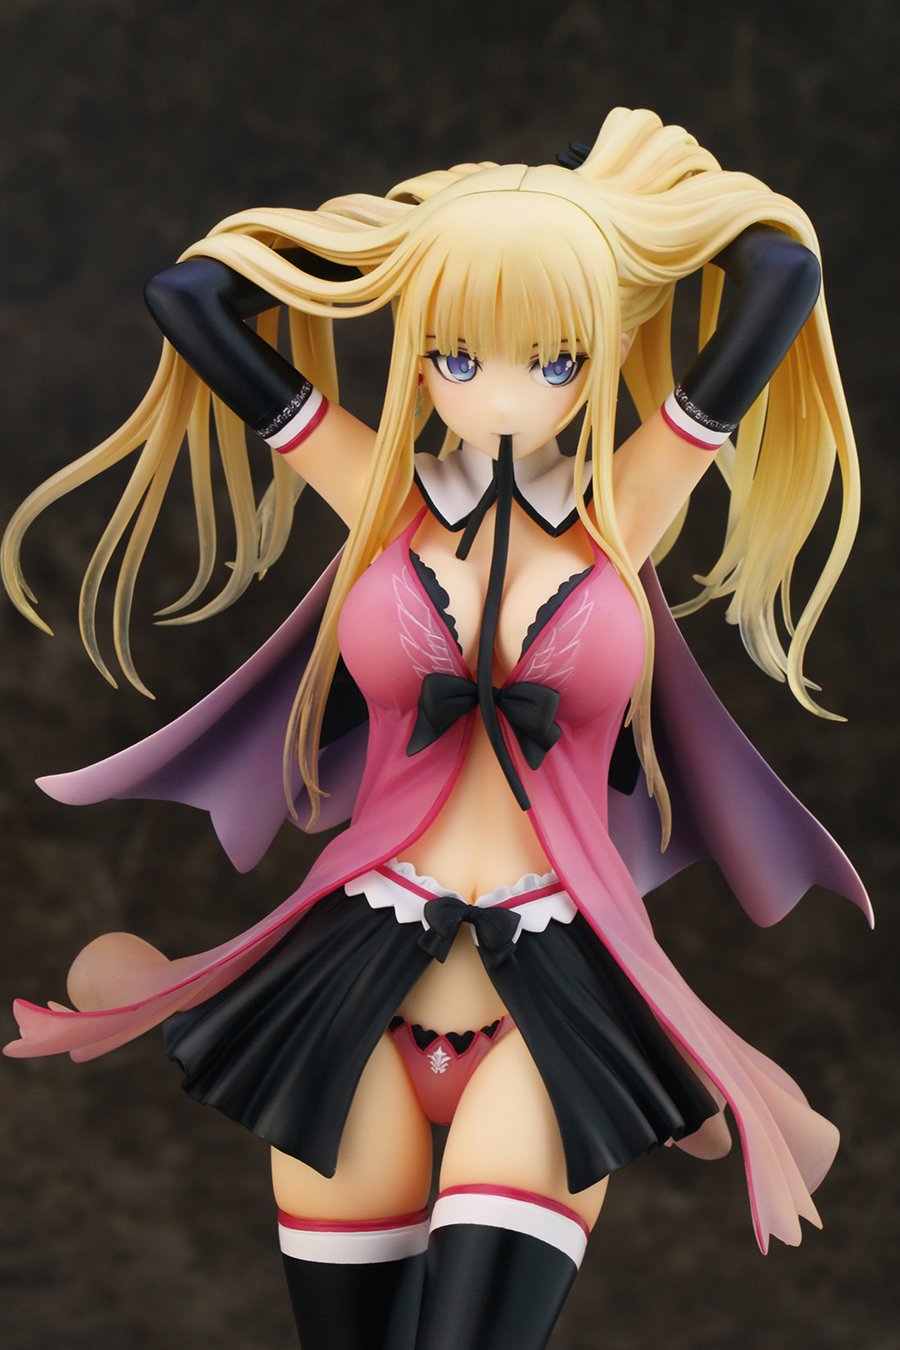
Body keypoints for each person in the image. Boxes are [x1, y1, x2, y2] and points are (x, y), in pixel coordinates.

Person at [2, 109, 871, 1350]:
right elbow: (190, 299)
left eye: (553, 361)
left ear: (601, 357)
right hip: (359, 972)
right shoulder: (376, 495)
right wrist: (397, 247)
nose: (503, 397)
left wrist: (615, 224)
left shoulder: (627, 504)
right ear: (418, 361)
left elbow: (780, 274)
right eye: (460, 355)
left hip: (551, 979)